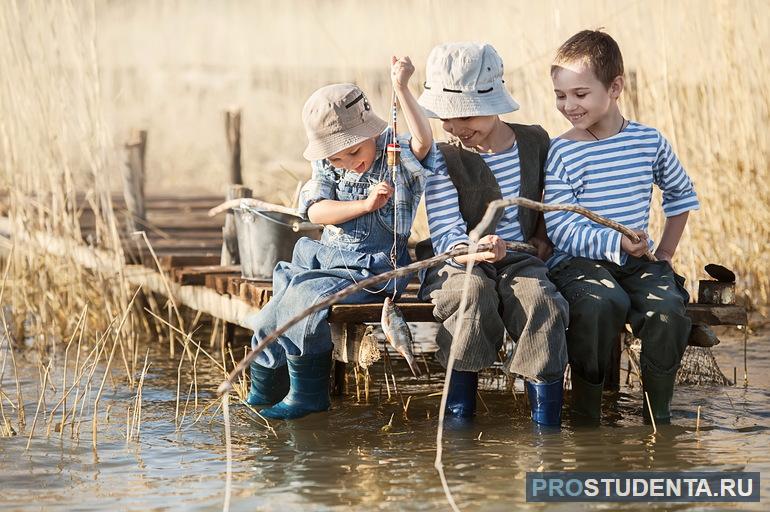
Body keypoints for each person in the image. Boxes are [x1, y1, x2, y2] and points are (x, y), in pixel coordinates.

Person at [245, 57, 434, 420]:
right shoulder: (328, 164)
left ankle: (309, 395)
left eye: (355, 151)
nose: (350, 162)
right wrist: (363, 204)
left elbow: (425, 141)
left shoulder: (395, 155)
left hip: (375, 268)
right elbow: (315, 212)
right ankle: (264, 391)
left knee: (303, 298)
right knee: (270, 314)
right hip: (327, 258)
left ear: (372, 133)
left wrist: (402, 88)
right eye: (338, 158)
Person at [544, 30, 700, 424]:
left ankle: (657, 417)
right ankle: (587, 416)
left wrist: (664, 252)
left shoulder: (648, 141)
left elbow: (681, 194)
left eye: (580, 94)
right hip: (578, 262)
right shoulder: (563, 150)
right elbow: (560, 228)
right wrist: (615, 243)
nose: (569, 105)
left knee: (667, 309)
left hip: (637, 261)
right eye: (561, 95)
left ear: (615, 87)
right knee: (601, 304)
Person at [416, 42, 568, 426]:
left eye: (464, 115)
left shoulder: (535, 141)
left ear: (494, 104)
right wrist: (471, 250)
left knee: (542, 303)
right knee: (472, 294)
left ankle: (545, 425)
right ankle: (458, 418)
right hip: (458, 259)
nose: (454, 127)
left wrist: (543, 239)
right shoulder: (443, 157)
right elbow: (447, 229)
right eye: (446, 119)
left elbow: (551, 202)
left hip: (521, 257)